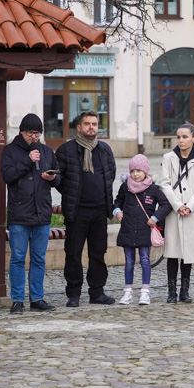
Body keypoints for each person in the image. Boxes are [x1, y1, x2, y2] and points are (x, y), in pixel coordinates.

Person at [56, 111, 117, 307]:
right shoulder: (66, 150)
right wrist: (72, 193)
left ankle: (97, 293)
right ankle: (73, 294)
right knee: (73, 253)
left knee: (98, 253)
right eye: (87, 124)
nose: (91, 127)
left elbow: (110, 174)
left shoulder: (104, 150)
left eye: (94, 124)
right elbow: (59, 179)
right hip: (77, 211)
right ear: (79, 128)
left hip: (99, 210)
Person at [1, 114, 60, 313]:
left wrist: (52, 178)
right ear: (22, 132)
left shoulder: (46, 151)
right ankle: (17, 300)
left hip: (42, 212)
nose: (34, 137)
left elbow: (58, 178)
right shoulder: (10, 151)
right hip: (20, 213)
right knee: (18, 257)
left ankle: (37, 298)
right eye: (30, 133)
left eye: (37, 134)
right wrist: (28, 160)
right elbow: (7, 176)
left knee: (39, 258)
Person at [160, 123, 194, 303]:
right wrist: (178, 205)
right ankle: (171, 291)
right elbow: (164, 183)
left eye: (185, 137)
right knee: (172, 251)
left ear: (193, 139)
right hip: (174, 211)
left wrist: (190, 205)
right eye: (178, 137)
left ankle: (185, 290)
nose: (181, 140)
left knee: (187, 252)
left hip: (192, 212)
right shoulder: (168, 158)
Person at [113, 154, 171, 305]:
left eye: (139, 171)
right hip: (128, 229)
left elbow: (166, 205)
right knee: (129, 262)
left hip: (144, 230)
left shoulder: (153, 189)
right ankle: (128, 292)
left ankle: (145, 292)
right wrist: (117, 211)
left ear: (145, 171)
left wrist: (155, 217)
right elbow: (117, 201)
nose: (135, 174)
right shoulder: (126, 187)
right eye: (132, 171)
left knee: (145, 260)